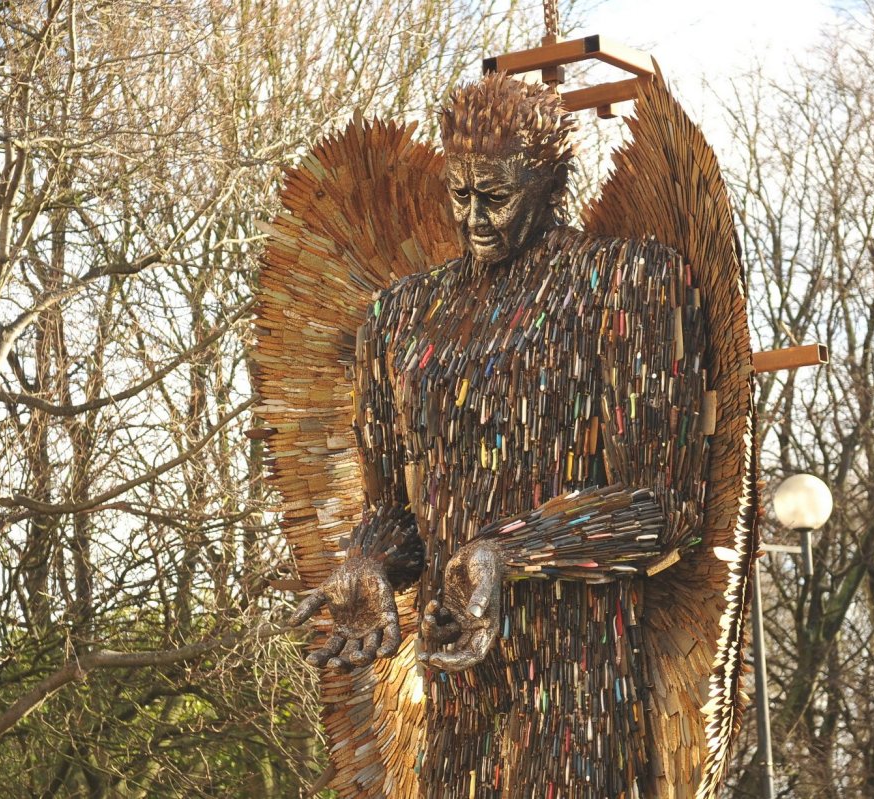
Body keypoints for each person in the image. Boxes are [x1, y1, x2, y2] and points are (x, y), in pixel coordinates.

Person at [288, 73, 711, 798]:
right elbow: (398, 511)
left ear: (550, 185)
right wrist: (370, 560)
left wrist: (509, 551)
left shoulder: (624, 283)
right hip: (457, 677)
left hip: (580, 683)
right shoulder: (400, 317)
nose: (475, 219)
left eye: (498, 196)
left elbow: (665, 506)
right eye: (461, 194)